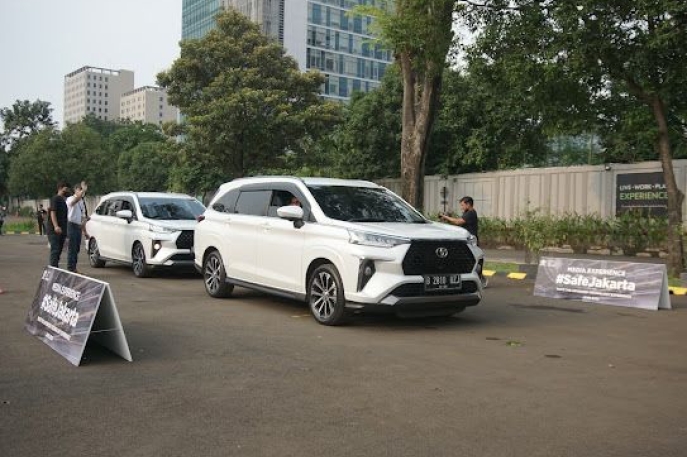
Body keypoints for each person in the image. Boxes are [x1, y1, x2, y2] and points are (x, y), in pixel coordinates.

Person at [439, 196, 487, 287]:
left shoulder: (471, 213)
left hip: (471, 242)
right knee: (469, 260)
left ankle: (480, 279)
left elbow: (458, 222)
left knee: (473, 259)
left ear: (468, 204)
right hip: (467, 241)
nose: (461, 207)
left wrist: (446, 217)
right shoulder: (467, 212)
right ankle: (479, 278)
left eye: (462, 205)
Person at [66, 182, 88, 274]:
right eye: (80, 190)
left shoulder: (82, 202)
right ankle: (70, 268)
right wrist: (83, 191)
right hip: (71, 225)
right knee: (72, 248)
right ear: (75, 190)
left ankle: (73, 267)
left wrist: (85, 232)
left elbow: (82, 218)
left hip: (78, 226)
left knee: (77, 248)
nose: (82, 192)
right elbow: (73, 202)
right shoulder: (70, 199)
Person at [47, 182, 70, 268]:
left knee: (59, 251)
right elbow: (53, 212)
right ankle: (53, 270)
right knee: (55, 250)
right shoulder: (55, 199)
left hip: (62, 230)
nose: (68, 191)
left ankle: (55, 268)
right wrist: (56, 226)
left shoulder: (63, 201)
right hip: (54, 230)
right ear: (60, 188)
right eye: (66, 189)